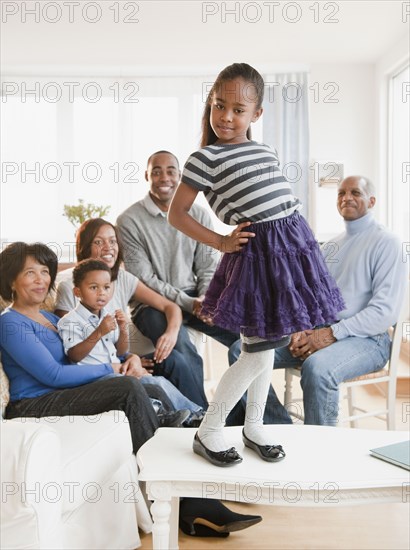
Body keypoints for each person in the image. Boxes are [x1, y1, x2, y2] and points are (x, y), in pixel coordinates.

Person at [0, 241, 263, 538]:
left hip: (58, 395)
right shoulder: (10, 324)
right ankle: (190, 502)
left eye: (45, 272)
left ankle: (192, 493)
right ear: (11, 280)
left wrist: (128, 359)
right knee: (127, 389)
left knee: (146, 391)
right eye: (29, 273)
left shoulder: (49, 318)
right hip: (35, 405)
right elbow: (53, 374)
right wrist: (110, 370)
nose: (40, 280)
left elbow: (83, 352)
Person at [168, 62, 345, 466]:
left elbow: (275, 200)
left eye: (238, 110)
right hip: (257, 256)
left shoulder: (266, 149)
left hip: (290, 248)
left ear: (257, 114)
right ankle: (209, 430)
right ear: (210, 105)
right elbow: (177, 215)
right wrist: (221, 242)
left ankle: (254, 425)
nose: (226, 117)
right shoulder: (204, 158)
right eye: (219, 106)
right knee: (257, 351)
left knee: (267, 344)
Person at [116, 149, 291, 426]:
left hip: (199, 300)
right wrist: (190, 303)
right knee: (185, 354)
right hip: (153, 305)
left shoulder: (197, 213)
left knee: (251, 339)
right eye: (157, 171)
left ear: (180, 176)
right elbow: (143, 278)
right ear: (146, 176)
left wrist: (208, 299)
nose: (165, 177)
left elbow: (209, 266)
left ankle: (272, 422)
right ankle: (205, 420)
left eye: (171, 170)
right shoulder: (129, 221)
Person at [273, 175, 407, 425]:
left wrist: (331, 334)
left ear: (372, 201)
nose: (347, 198)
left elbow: (384, 312)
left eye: (355, 193)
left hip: (369, 340)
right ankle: (278, 427)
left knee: (317, 368)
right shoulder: (330, 246)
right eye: (341, 193)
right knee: (245, 352)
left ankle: (324, 449)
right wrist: (301, 329)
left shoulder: (388, 243)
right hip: (324, 331)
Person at [55, 218, 208, 420]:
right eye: (98, 242)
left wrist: (167, 337)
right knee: (156, 379)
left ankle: (200, 415)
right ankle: (189, 417)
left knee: (175, 360)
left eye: (112, 241)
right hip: (101, 370)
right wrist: (124, 362)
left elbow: (170, 307)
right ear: (84, 248)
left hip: (120, 360)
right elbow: (73, 350)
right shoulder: (70, 288)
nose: (108, 247)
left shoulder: (123, 279)